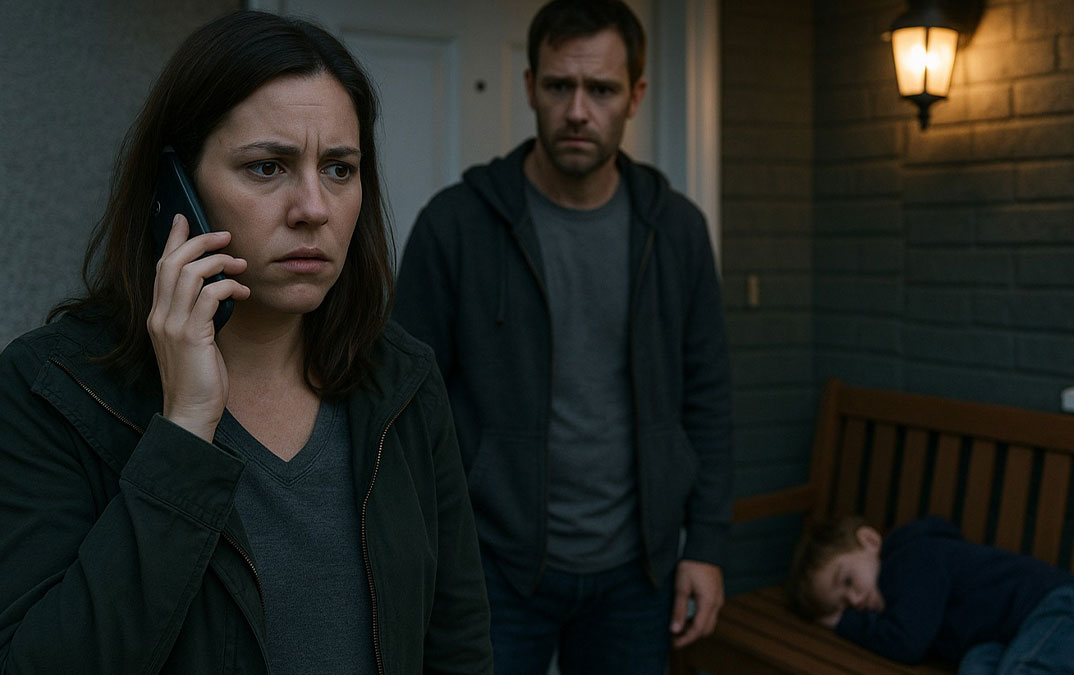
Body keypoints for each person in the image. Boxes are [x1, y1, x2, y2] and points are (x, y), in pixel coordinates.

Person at [0, 11, 491, 674]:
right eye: (268, 166)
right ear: (176, 191)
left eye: (340, 169)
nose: (313, 207)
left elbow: (456, 644)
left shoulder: (400, 379)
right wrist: (182, 432)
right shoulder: (49, 389)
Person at [391, 0, 732, 672]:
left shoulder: (678, 231)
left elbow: (709, 396)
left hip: (639, 571)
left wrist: (708, 545)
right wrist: (424, 549)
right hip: (492, 564)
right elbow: (403, 405)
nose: (578, 110)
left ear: (634, 96)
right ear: (529, 87)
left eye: (601, 89)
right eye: (558, 86)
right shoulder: (456, 225)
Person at [786, 514, 1074, 673]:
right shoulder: (902, 591)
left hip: (1070, 614)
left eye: (846, 581)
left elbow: (906, 643)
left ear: (871, 541)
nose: (856, 601)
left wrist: (843, 623)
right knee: (976, 665)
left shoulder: (910, 559)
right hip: (1022, 640)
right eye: (844, 605)